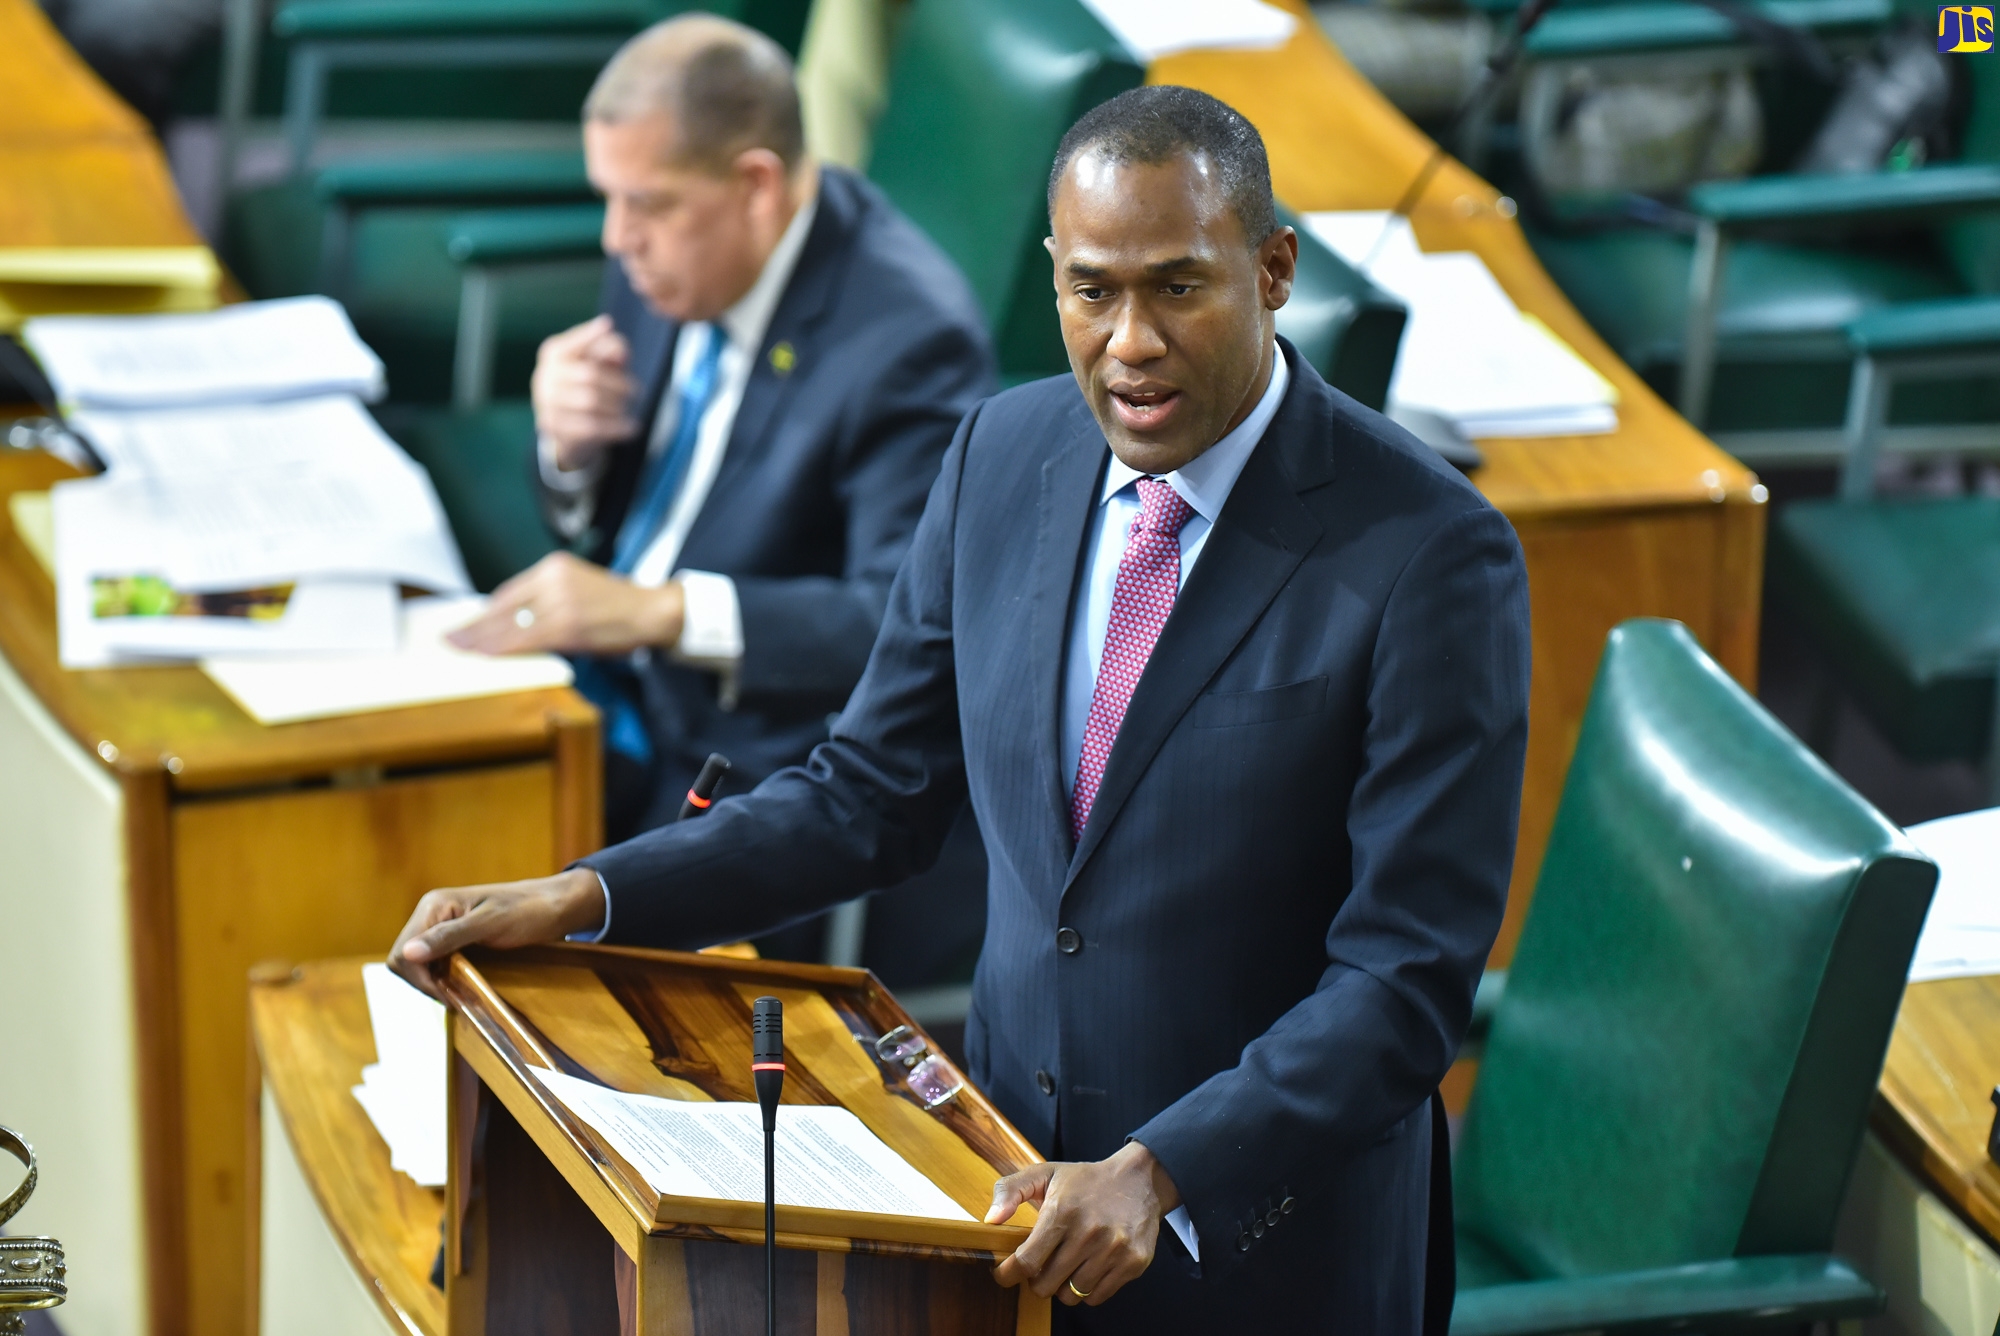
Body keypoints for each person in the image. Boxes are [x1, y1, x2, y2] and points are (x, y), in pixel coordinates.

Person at [394, 86, 1530, 1333]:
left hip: (1264, 1256)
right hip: (999, 1205)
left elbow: (1401, 980)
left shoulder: (1429, 553)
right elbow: (868, 794)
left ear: (1271, 271)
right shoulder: (1001, 453)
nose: (1131, 341)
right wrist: (592, 896)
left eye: (1177, 288)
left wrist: (1163, 1171)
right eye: (1092, 291)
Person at [447, 13, 997, 841]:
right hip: (591, 677)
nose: (616, 238)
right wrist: (571, 452)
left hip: (727, 757)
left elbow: (902, 623)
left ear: (756, 186)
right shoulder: (669, 246)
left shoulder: (910, 342)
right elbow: (609, 515)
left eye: (645, 205)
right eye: (609, 199)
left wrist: (662, 613)